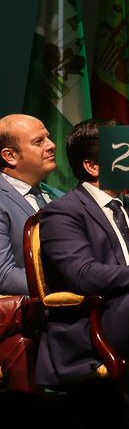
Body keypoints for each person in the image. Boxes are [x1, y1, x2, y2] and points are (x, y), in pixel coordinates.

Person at [32, 120, 129, 387]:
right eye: (126, 153)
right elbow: (84, 276)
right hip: (98, 316)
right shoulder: (63, 212)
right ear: (93, 166)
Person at [0, 114, 61, 295]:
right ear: (10, 156)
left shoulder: (61, 197)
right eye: (38, 142)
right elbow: (4, 276)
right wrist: (72, 282)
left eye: (48, 137)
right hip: (31, 317)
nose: (51, 145)